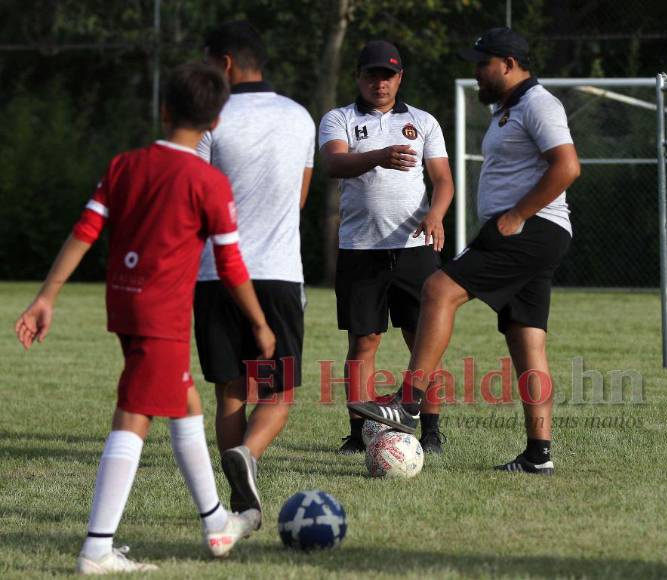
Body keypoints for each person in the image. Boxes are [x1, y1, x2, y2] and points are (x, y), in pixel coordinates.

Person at [14, 63, 276, 574]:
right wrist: (260, 323)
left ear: (164, 109)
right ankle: (96, 548)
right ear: (215, 121)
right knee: (134, 414)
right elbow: (230, 264)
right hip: (162, 315)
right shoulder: (208, 181)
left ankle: (216, 522)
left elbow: (85, 230)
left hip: (125, 305)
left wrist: (48, 295)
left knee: (185, 401)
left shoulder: (124, 165)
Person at [348, 28, 581, 475]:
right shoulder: (508, 108)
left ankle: (408, 404)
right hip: (534, 231)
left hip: (528, 228)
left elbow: (567, 166)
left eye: (482, 63)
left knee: (438, 289)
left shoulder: (539, 104)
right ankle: (539, 455)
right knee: (526, 338)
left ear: (508, 64)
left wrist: (516, 216)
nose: (475, 72)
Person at [193, 21, 315, 514]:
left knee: (230, 393)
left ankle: (237, 501)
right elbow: (300, 199)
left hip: (216, 273)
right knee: (278, 391)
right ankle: (249, 454)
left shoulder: (209, 118)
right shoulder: (300, 117)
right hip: (279, 272)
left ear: (224, 63)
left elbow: (196, 196)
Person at [319, 40, 454, 454]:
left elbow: (443, 180)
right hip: (360, 248)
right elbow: (333, 164)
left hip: (415, 247)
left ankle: (430, 431)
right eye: (372, 74)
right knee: (364, 341)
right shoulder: (339, 118)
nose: (380, 83)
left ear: (400, 78)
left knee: (422, 341)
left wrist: (436, 214)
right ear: (358, 77)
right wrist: (378, 156)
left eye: (388, 75)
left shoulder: (422, 121)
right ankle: (358, 433)